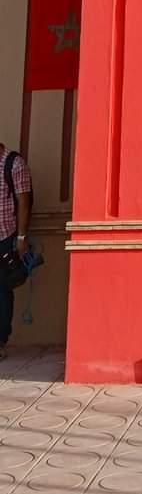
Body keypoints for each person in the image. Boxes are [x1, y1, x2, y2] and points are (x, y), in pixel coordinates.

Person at [0, 143, 32, 358]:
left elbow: (23, 201)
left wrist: (21, 237)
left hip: (5, 236)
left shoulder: (14, 164)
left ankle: (0, 340)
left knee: (2, 291)